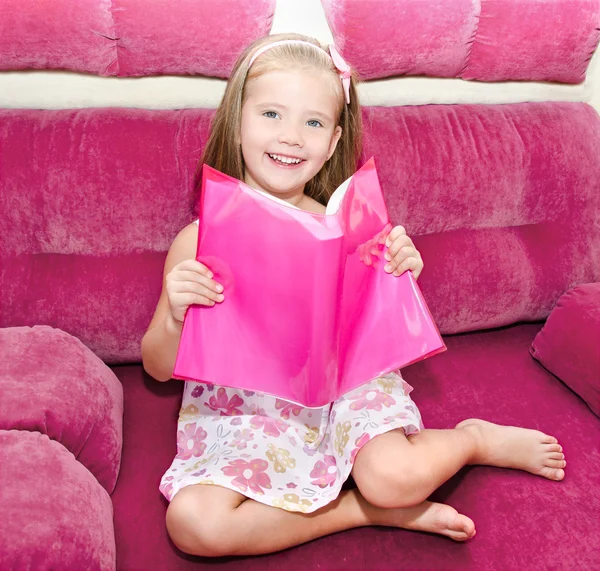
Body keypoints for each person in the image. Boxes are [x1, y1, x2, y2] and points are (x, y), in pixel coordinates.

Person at [141, 33, 566, 558]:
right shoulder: (197, 240)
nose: (291, 136)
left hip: (346, 389)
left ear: (335, 139)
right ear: (238, 120)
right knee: (193, 526)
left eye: (313, 122)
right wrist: (177, 319)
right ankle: (360, 509)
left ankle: (472, 438)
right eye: (271, 114)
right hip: (247, 411)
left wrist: (400, 271)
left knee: (395, 476)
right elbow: (157, 368)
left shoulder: (348, 229)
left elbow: (383, 326)